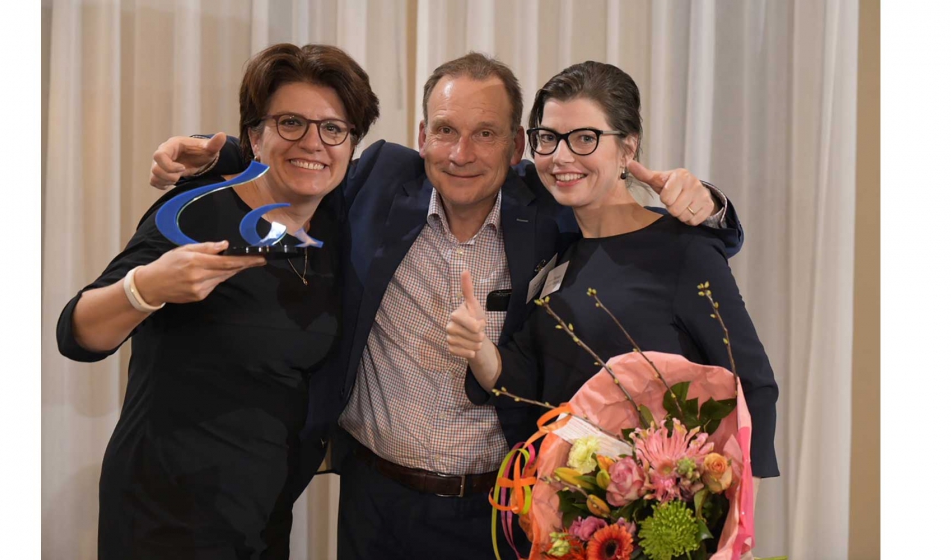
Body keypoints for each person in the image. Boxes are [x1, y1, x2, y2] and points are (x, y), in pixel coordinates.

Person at [149, 53, 745, 559]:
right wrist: (222, 151)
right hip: (373, 500)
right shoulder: (380, 181)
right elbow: (309, 160)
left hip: (499, 508)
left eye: (486, 133)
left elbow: (641, 227)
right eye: (444, 130)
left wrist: (710, 206)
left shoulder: (549, 207)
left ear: (517, 147)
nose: (462, 153)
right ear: (420, 137)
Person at [56, 43, 379, 559]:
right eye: (291, 122)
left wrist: (216, 144)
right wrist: (146, 288)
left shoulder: (338, 224)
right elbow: (77, 333)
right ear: (256, 134)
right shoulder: (196, 213)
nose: (313, 142)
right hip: (164, 518)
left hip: (263, 518)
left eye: (333, 128)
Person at [445, 62, 779, 547]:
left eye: (584, 138)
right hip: (575, 528)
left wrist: (735, 527)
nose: (562, 156)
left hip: (665, 525)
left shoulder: (683, 249)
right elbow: (526, 381)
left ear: (628, 146)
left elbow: (753, 386)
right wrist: (477, 347)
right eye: (548, 138)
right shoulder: (558, 255)